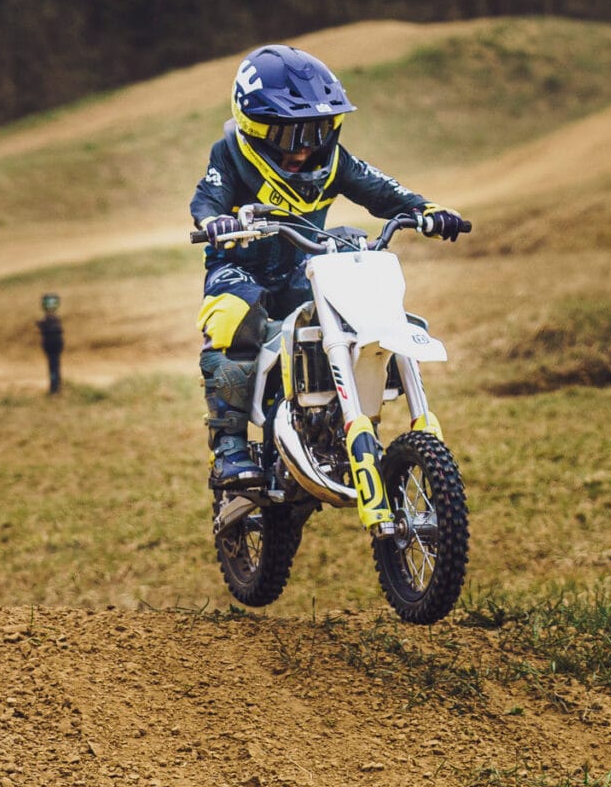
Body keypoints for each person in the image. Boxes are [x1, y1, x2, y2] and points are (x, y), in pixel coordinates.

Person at [190, 44, 467, 488]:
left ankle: (340, 418)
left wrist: (426, 210)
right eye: (289, 135)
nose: (304, 147)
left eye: (318, 131)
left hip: (304, 265)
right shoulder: (230, 154)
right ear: (253, 126)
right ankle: (229, 448)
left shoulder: (336, 161)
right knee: (231, 317)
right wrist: (214, 222)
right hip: (240, 268)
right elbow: (208, 198)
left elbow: (383, 191)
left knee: (355, 301)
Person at [37, 293, 64, 394]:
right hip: (54, 347)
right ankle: (55, 386)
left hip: (52, 347)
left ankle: (55, 387)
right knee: (55, 367)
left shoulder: (47, 322)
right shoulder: (55, 321)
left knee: (53, 368)